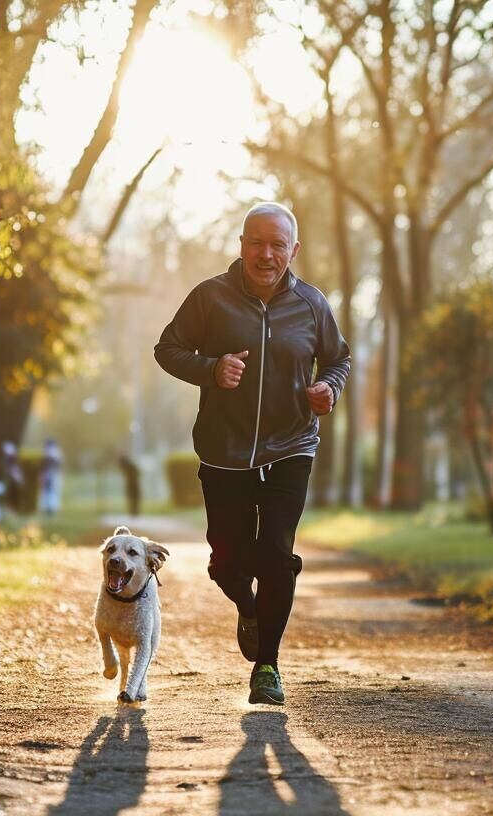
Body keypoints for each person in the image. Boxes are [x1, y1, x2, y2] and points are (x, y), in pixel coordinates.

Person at [154, 201, 351, 705]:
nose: (266, 254)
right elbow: (168, 348)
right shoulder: (210, 298)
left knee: (275, 555)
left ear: (293, 250)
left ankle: (268, 666)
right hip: (224, 451)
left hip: (291, 447)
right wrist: (211, 368)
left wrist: (328, 388)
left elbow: (338, 358)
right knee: (225, 562)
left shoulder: (311, 304)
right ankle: (248, 603)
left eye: (277, 245)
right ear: (241, 245)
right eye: (256, 243)